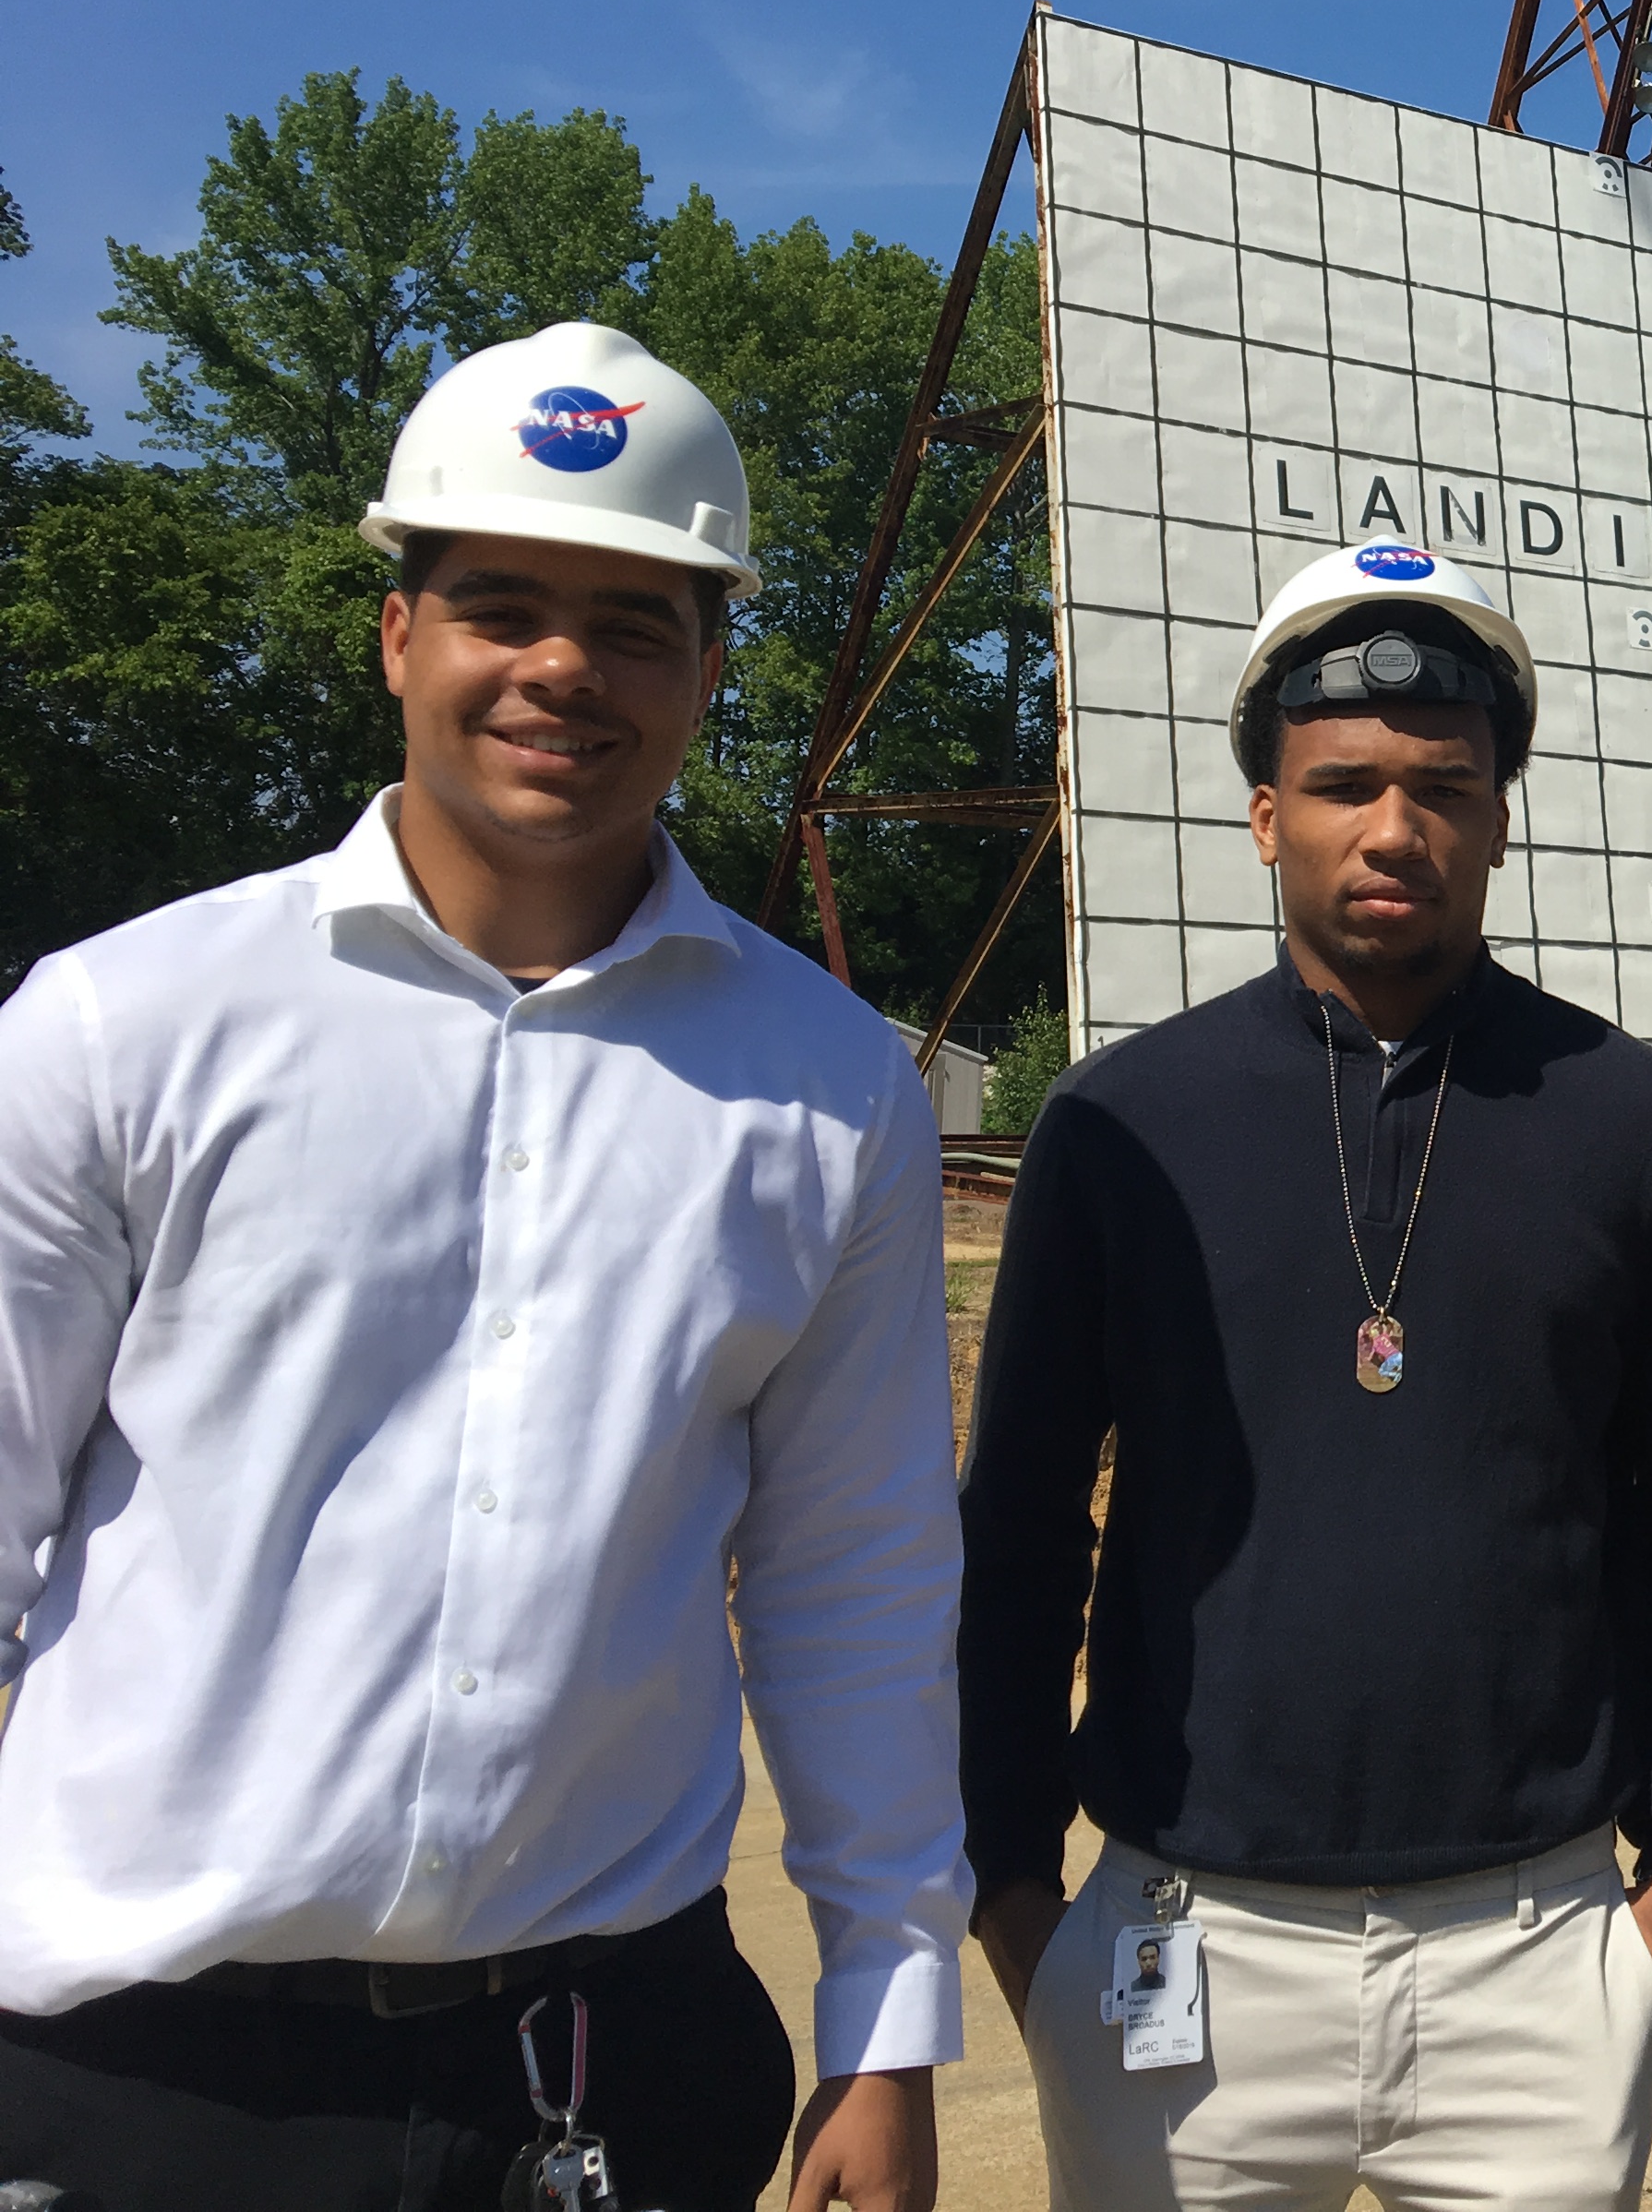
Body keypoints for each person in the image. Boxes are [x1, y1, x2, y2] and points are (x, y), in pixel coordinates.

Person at [0, 325, 967, 2210]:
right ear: (398, 635)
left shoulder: (830, 1091)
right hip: (141, 2075)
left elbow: (853, 1575)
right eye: (500, 603)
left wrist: (887, 2007)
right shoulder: (123, 1029)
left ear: (708, 667)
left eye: (633, 621)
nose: (560, 669)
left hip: (598, 2066)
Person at [958, 537, 1652, 2212]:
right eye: (1342, 786)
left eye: (1442, 788)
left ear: (1497, 812)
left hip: (1537, 1952)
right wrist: (1012, 1890)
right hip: (1178, 1950)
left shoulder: (1632, 1120)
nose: (1393, 830)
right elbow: (1021, 1528)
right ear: (1267, 812)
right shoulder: (1121, 1129)